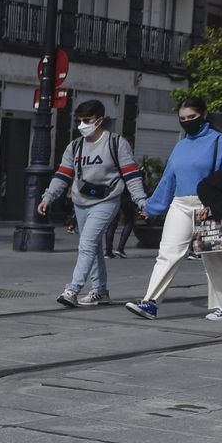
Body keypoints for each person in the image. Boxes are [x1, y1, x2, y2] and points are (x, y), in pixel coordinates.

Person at [127, 97, 222, 322]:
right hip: (180, 204)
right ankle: (150, 303)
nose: (187, 122)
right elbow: (169, 179)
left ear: (204, 115)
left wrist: (216, 194)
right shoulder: (180, 146)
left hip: (207, 206)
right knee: (167, 253)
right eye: (183, 119)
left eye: (192, 117)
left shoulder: (220, 141)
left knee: (214, 257)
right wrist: (152, 207)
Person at [39, 100, 148, 308]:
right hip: (81, 201)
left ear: (99, 120)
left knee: (87, 244)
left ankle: (72, 290)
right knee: (94, 246)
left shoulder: (116, 143)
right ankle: (100, 291)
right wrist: (48, 197)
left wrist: (140, 200)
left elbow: (131, 175)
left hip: (107, 201)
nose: (82, 125)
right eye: (79, 120)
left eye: (86, 120)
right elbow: (63, 174)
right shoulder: (75, 146)